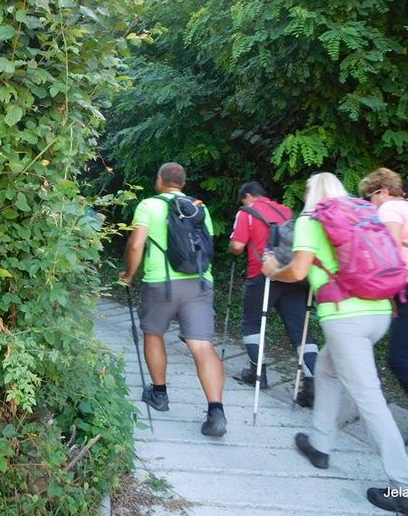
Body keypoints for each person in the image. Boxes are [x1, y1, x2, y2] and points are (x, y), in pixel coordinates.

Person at [262, 172, 408, 516]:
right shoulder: (363, 215)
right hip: (379, 312)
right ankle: (319, 445)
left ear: (311, 193)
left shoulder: (311, 220)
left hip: (345, 319)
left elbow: (297, 272)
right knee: (326, 369)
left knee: (370, 400)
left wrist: (273, 271)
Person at [119, 162, 226, 437]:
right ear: (183, 183)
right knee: (202, 346)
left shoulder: (149, 205)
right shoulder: (199, 208)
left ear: (159, 180)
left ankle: (159, 394)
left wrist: (128, 275)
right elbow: (206, 245)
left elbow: (135, 244)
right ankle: (216, 412)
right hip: (199, 282)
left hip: (161, 283)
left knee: (153, 333)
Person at [228, 181, 318, 406]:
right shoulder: (285, 210)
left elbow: (237, 246)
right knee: (300, 329)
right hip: (292, 275)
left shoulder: (246, 212)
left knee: (252, 324)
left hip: (262, 275)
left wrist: (233, 249)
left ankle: (257, 373)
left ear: (247, 196)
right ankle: (312, 384)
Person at [359, 168, 408, 454]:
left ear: (383, 191)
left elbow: (390, 254)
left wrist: (380, 292)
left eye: (369, 197)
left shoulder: (391, 209)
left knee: (403, 361)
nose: (369, 203)